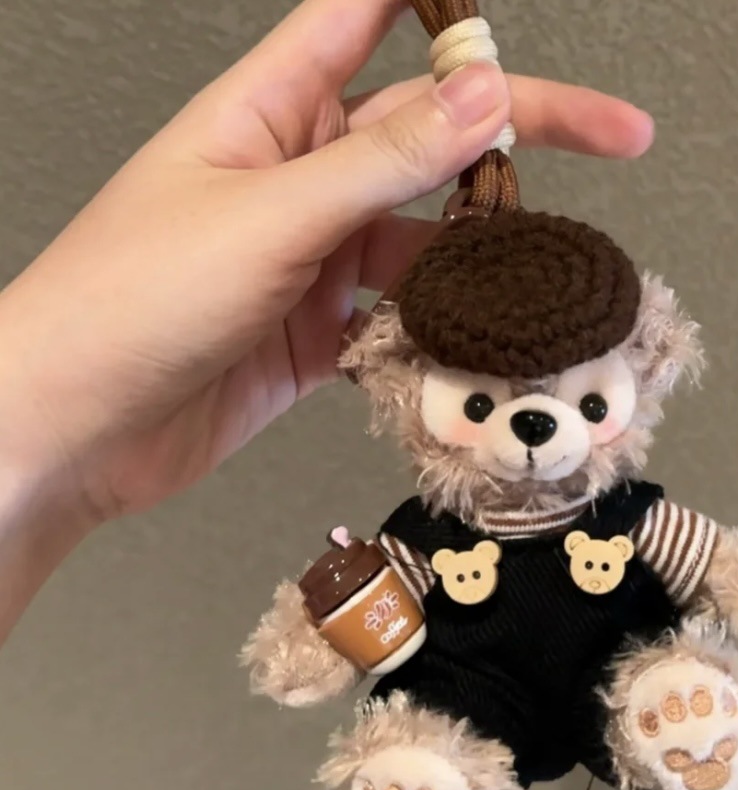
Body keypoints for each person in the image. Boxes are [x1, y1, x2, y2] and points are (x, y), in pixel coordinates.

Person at [0, 0, 654, 645]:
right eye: (477, 404)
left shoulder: (629, 518)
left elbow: (702, 563)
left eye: (591, 403)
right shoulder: (433, 536)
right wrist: (36, 432)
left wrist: (48, 442)